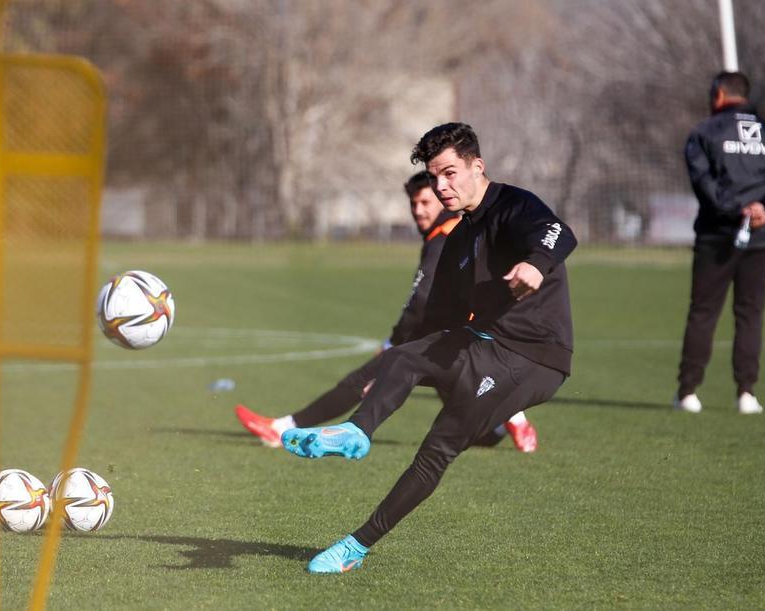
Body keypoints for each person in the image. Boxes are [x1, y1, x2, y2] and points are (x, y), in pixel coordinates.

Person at [280, 122, 576, 574]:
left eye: (451, 173)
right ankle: (358, 432)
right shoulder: (458, 238)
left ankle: (355, 547)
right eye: (435, 177)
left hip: (534, 357)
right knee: (402, 355)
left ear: (478, 167)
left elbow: (558, 232)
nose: (441, 186)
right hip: (485, 344)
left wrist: (535, 265)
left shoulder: (515, 204)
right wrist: (392, 376)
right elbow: (436, 325)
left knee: (436, 448)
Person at [234, 170, 539, 452]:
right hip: (466, 338)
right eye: (413, 203)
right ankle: (509, 420)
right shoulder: (457, 230)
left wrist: (394, 342)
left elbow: (420, 298)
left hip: (454, 336)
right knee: (467, 419)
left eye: (424, 202)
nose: (418, 210)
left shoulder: (444, 237)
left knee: (362, 379)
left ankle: (282, 428)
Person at [674, 71, 765, 415]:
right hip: (761, 238)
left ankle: (688, 393)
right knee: (750, 314)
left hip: (717, 237)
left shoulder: (704, 133)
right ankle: (746, 392)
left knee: (703, 312)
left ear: (718, 94)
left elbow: (704, 182)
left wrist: (735, 210)